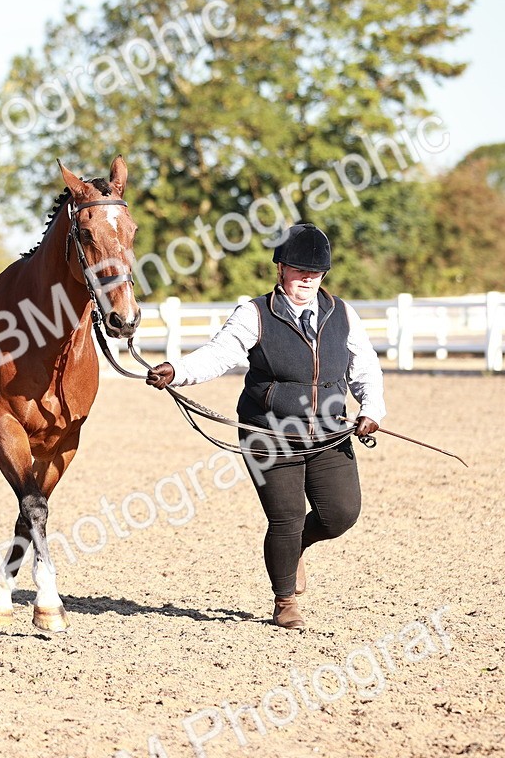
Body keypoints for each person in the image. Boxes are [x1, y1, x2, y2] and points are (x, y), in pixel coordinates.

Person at [145, 223, 385, 629]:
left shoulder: (342, 313)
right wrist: (177, 371)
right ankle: (285, 600)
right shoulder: (255, 314)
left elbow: (365, 368)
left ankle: (296, 550)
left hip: (331, 431)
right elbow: (217, 355)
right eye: (297, 269)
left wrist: (372, 409)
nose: (306, 278)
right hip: (269, 432)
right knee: (286, 517)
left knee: (341, 513)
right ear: (280, 269)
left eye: (314, 272)